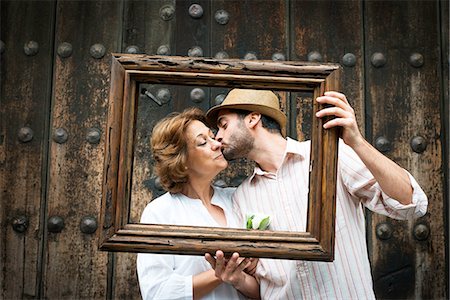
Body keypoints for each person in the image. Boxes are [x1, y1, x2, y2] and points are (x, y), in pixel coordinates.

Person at [204, 89, 428, 299]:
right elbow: (265, 287)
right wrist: (238, 279)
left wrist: (357, 142)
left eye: (223, 125)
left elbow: (410, 203)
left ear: (253, 119)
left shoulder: (330, 157)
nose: (218, 137)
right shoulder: (242, 197)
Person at [136, 107, 259, 299]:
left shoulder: (237, 198)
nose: (217, 144)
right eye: (203, 142)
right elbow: (156, 293)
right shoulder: (159, 213)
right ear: (181, 160)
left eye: (212, 136)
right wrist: (220, 274)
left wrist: (247, 269)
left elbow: (266, 284)